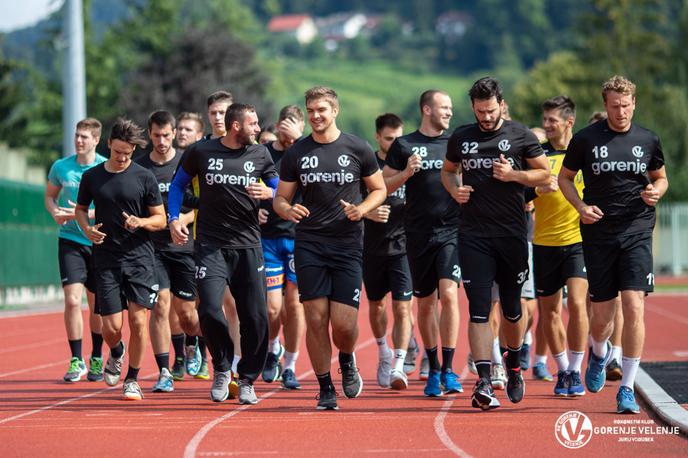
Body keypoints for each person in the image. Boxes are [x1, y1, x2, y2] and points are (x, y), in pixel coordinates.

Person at [559, 75, 668, 414]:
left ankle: (625, 389)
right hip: (599, 233)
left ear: (634, 104)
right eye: (614, 106)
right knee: (603, 317)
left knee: (634, 305)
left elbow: (661, 177)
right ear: (605, 105)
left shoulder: (648, 140)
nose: (620, 112)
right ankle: (597, 351)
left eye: (626, 106)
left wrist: (657, 191)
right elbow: (563, 178)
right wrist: (580, 206)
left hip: (636, 229)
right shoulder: (585, 139)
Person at [274, 86, 387, 410]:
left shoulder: (357, 147)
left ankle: (347, 359)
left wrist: (363, 209)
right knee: (315, 317)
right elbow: (281, 197)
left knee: (344, 324)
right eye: (310, 111)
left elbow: (378, 189)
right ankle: (325, 387)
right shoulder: (297, 153)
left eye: (321, 110)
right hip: (309, 243)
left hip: (348, 244)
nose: (315, 116)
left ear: (334, 111)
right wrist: (286, 209)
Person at [442, 76, 550, 410]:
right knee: (477, 310)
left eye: (490, 111)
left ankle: (515, 364)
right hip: (473, 234)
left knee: (513, 310)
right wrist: (454, 189)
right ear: (472, 108)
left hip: (512, 235)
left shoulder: (521, 135)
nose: (486, 118)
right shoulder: (462, 137)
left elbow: (544, 174)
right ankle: (485, 380)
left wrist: (514, 175)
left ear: (501, 104)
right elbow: (448, 171)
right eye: (480, 112)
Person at [168, 103, 277, 405]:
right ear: (236, 126)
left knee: (256, 317)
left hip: (248, 247)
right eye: (252, 123)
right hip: (210, 246)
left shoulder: (261, 154)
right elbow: (177, 186)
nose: (258, 128)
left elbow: (279, 186)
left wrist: (271, 193)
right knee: (210, 309)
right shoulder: (200, 152)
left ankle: (247, 379)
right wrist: (174, 219)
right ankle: (221, 367)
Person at [75, 118, 167, 400]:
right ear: (109, 145)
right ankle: (116, 351)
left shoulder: (144, 177)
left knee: (139, 323)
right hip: (106, 259)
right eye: (117, 152)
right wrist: (87, 229)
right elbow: (80, 209)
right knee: (111, 327)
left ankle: (133, 379)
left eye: (127, 153)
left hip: (139, 258)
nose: (122, 158)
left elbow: (160, 219)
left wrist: (140, 222)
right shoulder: (92, 177)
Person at [383, 90, 463, 397]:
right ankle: (433, 369)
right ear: (427, 109)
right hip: (416, 233)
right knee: (427, 302)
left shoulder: (454, 144)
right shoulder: (404, 145)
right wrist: (406, 172)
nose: (449, 113)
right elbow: (384, 183)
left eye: (451, 108)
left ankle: (450, 369)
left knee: (450, 295)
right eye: (444, 107)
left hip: (451, 230)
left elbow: (464, 177)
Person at [134, 110, 201, 393]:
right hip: (152, 248)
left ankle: (193, 342)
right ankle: (164, 370)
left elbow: (201, 204)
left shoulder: (187, 164)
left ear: (174, 133)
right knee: (160, 305)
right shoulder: (139, 168)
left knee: (186, 314)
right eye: (156, 135)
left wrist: (179, 221)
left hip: (185, 246)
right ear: (150, 135)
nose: (161, 140)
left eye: (166, 135)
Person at [528, 95, 590, 397]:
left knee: (577, 305)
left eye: (552, 120)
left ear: (569, 121)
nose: (546, 125)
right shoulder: (537, 156)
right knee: (549, 312)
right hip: (543, 243)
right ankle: (563, 369)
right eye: (545, 120)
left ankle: (576, 369)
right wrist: (537, 189)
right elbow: (522, 196)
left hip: (577, 241)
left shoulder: (585, 153)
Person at [45, 118, 107, 383]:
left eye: (85, 137)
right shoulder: (61, 166)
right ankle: (76, 359)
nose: (79, 140)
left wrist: (81, 213)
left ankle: (96, 356)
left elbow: (110, 205)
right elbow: (50, 195)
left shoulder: (104, 167)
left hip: (98, 241)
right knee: (72, 301)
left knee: (96, 306)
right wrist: (56, 212)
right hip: (69, 241)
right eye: (77, 135)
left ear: (95, 140)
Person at [364, 113, 413, 390]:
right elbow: (356, 200)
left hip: (403, 246)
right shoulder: (367, 163)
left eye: (399, 139)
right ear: (378, 137)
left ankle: (398, 364)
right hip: (372, 246)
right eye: (389, 139)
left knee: (403, 307)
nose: (395, 145)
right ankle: (383, 352)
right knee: (377, 305)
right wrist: (368, 213)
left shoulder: (410, 163)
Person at [259, 105, 305, 389]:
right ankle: (273, 347)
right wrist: (255, 208)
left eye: (294, 127)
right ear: (277, 125)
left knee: (295, 304)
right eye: (285, 126)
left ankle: (290, 364)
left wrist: (298, 141)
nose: (288, 133)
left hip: (298, 237)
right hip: (269, 238)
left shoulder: (306, 152)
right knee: (273, 308)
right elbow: (243, 185)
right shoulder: (263, 152)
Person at [168, 111, 206, 380]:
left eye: (188, 129)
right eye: (179, 128)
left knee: (201, 305)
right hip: (168, 243)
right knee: (172, 305)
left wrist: (185, 217)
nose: (182, 133)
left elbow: (209, 202)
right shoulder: (166, 162)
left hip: (199, 241)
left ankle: (203, 351)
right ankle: (181, 355)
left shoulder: (203, 159)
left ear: (199, 135)